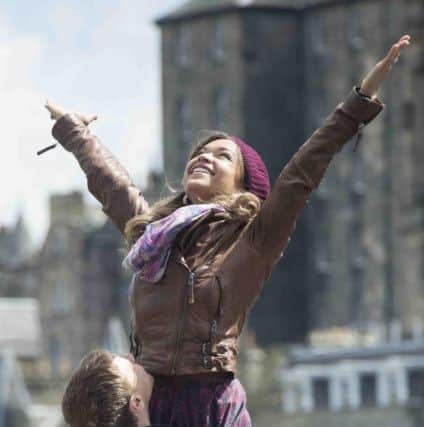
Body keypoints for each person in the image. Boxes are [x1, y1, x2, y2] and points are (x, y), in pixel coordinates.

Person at [46, 36, 410, 426]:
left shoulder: (251, 242)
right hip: (149, 403)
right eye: (201, 152)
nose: (205, 156)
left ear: (241, 185)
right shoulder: (153, 237)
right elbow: (114, 188)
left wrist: (357, 104)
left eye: (223, 156)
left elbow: (300, 174)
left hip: (208, 406)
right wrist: (75, 133)